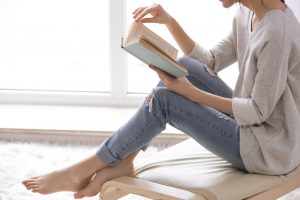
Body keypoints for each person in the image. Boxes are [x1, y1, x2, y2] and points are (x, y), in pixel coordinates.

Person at [22, 0, 300, 198]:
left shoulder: (277, 32)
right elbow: (211, 61)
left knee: (166, 99)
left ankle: (87, 167)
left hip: (268, 149)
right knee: (184, 66)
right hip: (255, 129)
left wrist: (191, 94)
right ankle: (122, 160)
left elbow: (257, 111)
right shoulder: (246, 12)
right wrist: (169, 22)